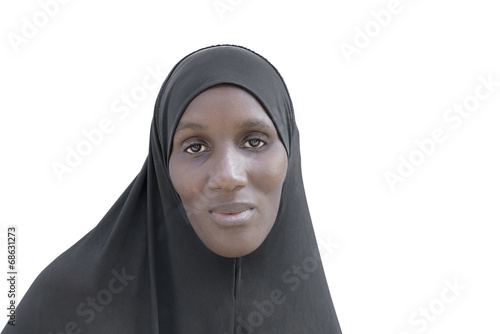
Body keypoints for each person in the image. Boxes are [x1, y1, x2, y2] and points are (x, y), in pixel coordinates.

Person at [2, 44, 342, 333]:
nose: (227, 176)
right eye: (195, 147)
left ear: (290, 155)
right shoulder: (67, 308)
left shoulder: (307, 303)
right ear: (162, 165)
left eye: (254, 141)